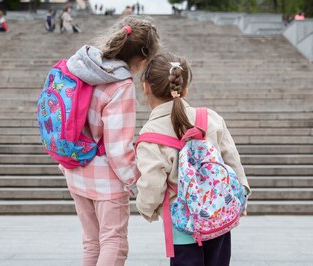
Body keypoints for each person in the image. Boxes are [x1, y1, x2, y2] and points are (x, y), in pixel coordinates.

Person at [58, 15, 160, 266]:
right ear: (143, 56)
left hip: (75, 169)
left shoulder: (81, 66)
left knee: (91, 243)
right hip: (106, 181)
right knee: (114, 242)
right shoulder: (120, 84)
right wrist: (136, 181)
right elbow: (117, 148)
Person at [136, 53, 251, 266]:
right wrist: (241, 195)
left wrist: (147, 209)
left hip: (182, 225)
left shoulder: (150, 134)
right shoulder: (211, 118)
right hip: (218, 216)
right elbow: (232, 162)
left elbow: (152, 184)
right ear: (185, 88)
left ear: (146, 87)